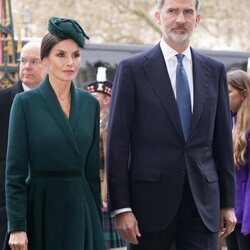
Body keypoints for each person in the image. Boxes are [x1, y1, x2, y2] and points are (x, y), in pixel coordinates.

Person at [106, 0, 237, 249]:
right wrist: (122, 207)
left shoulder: (215, 70)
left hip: (203, 207)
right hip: (149, 207)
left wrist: (228, 203)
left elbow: (222, 142)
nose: (180, 19)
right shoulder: (132, 70)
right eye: (172, 11)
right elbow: (118, 143)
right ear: (158, 16)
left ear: (197, 19)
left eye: (188, 12)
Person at [3, 17, 105, 250]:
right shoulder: (25, 103)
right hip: (41, 207)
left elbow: (91, 175)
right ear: (45, 60)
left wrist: (95, 223)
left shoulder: (90, 104)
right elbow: (15, 172)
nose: (70, 62)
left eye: (76, 55)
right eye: (61, 55)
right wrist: (17, 225)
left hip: (81, 210)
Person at [0, 41, 47, 249]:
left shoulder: (59, 103)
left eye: (34, 61)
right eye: (23, 61)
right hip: (6, 207)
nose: (26, 66)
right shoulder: (2, 101)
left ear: (48, 64)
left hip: (45, 203)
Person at [87, 67, 127, 250]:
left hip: (104, 188)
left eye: (95, 98)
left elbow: (110, 162)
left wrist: (105, 194)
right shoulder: (97, 121)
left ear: (107, 100)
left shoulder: (108, 124)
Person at [225, 69, 250, 250]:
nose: (224, 96)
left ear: (244, 93)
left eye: (228, 91)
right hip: (232, 214)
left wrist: (248, 221)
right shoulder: (230, 123)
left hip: (246, 217)